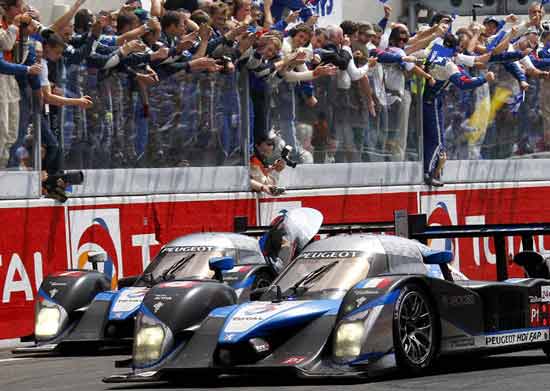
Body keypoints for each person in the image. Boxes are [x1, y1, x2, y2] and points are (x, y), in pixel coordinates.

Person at [249, 130, 286, 195]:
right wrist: (276, 171)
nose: (265, 155)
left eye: (268, 153)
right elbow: (265, 184)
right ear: (257, 146)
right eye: (263, 151)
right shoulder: (253, 162)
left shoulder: (262, 162)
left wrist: (273, 168)